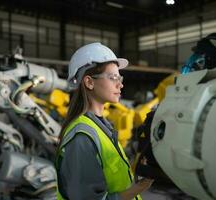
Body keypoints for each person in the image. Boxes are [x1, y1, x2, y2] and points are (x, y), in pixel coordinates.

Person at [56, 42, 153, 200]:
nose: (120, 84)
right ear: (89, 82)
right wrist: (139, 187)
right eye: (113, 77)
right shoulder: (82, 137)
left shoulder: (102, 127)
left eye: (119, 77)